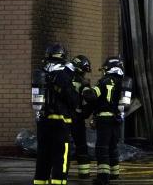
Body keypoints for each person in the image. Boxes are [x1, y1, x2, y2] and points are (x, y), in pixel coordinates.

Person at [33, 43, 80, 185]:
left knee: (43, 156)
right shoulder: (64, 75)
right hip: (60, 122)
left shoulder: (41, 73)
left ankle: (40, 182)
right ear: (63, 56)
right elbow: (73, 100)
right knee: (61, 157)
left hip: (42, 121)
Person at [83, 57, 125, 185]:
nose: (104, 72)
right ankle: (115, 173)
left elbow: (92, 96)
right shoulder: (122, 82)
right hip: (116, 119)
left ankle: (103, 177)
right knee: (113, 147)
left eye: (105, 69)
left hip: (104, 119)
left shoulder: (104, 81)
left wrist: (85, 89)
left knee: (102, 148)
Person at [69, 55, 93, 179]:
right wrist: (85, 114)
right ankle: (84, 173)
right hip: (77, 119)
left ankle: (61, 172)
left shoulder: (63, 79)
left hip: (64, 118)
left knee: (64, 146)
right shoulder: (83, 83)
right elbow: (89, 101)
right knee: (81, 146)